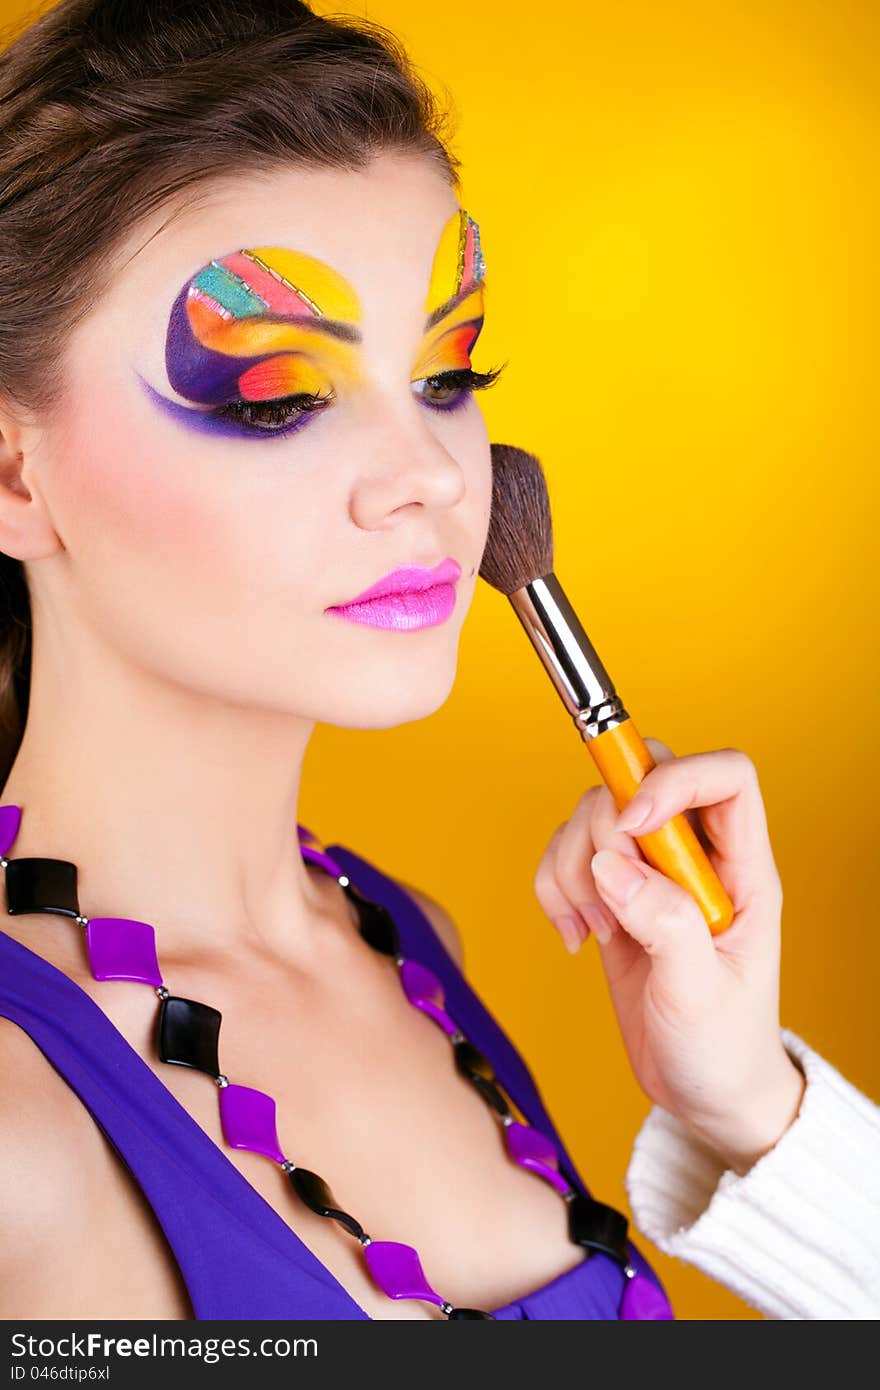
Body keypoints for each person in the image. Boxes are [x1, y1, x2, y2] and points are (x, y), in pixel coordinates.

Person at [0, 0, 876, 1322]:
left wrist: (750, 1104)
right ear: (15, 472)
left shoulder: (409, 944)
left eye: (451, 372)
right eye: (277, 393)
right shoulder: (18, 1133)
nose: (424, 476)